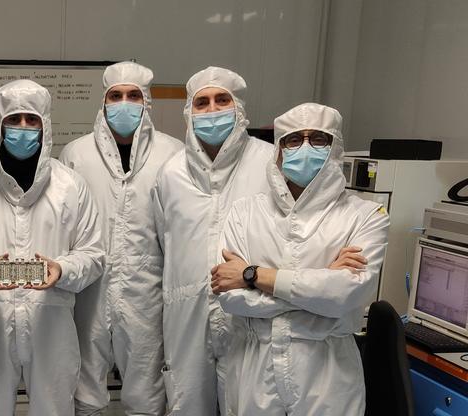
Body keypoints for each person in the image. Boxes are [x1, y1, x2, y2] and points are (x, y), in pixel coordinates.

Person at [0, 79, 105, 416]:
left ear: (45, 125)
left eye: (32, 120)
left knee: (54, 408)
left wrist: (61, 270)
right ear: (0, 126)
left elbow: (93, 254)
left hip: (52, 326)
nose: (23, 128)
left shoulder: (71, 187)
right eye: (14, 120)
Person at [212, 103, 389, 415]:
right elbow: (230, 298)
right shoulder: (244, 213)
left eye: (318, 139)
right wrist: (321, 281)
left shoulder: (365, 216)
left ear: (335, 147)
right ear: (278, 150)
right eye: (294, 140)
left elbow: (347, 294)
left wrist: (253, 275)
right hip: (255, 368)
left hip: (328, 372)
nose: (305, 147)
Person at [59, 61, 182, 415]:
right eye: (116, 96)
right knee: (85, 386)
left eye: (134, 96)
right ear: (103, 102)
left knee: (146, 390)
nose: (124, 103)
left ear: (147, 103)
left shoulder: (172, 154)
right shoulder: (76, 154)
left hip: (147, 291)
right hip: (87, 291)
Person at [151, 66, 274, 414]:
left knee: (247, 404)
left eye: (223, 100)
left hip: (250, 315)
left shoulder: (268, 163)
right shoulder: (171, 173)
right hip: (186, 318)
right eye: (202, 102)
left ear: (239, 108)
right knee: (187, 403)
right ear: (189, 111)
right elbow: (164, 242)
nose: (212, 110)